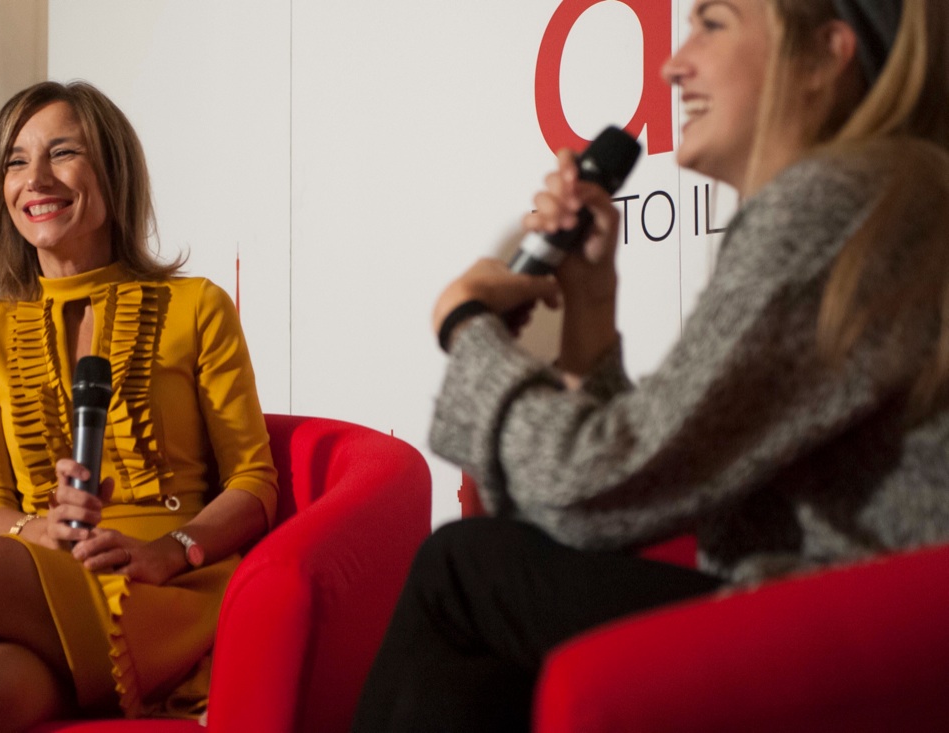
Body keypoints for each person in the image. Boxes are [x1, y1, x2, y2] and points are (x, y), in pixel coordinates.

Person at [353, 0, 949, 730]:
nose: (672, 65)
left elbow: (594, 487)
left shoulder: (835, 202)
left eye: (714, 23)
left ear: (826, 53)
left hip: (852, 650)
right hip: (859, 634)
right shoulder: (887, 192)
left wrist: (466, 325)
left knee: (463, 574)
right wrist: (591, 306)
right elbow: (638, 486)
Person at [0, 81, 279, 731]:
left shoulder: (198, 306)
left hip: (160, 594)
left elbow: (254, 481)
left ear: (112, 169)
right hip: (40, 587)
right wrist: (40, 530)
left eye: (63, 152)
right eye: (16, 161)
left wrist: (171, 550)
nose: (36, 178)